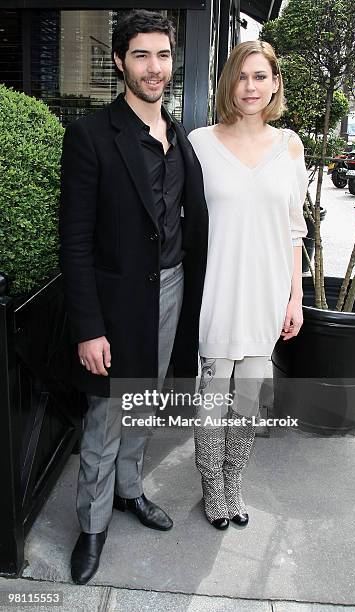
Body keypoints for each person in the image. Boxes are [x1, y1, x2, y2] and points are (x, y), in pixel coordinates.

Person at [59, 9, 208, 584]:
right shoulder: (92, 135)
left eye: (163, 55)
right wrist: (88, 327)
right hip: (115, 301)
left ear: (174, 62)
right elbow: (73, 241)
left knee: (146, 400)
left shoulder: (180, 139)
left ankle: (128, 492)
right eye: (141, 55)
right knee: (104, 416)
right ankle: (91, 525)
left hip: (170, 288)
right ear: (120, 61)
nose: (154, 67)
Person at [188, 40, 307, 530]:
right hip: (216, 291)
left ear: (275, 83)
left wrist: (295, 297)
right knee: (213, 395)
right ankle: (211, 487)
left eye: (260, 76)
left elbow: (295, 227)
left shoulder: (291, 145)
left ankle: (234, 482)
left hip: (267, 292)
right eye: (241, 76)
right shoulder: (198, 142)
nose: (250, 86)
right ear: (228, 84)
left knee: (248, 397)